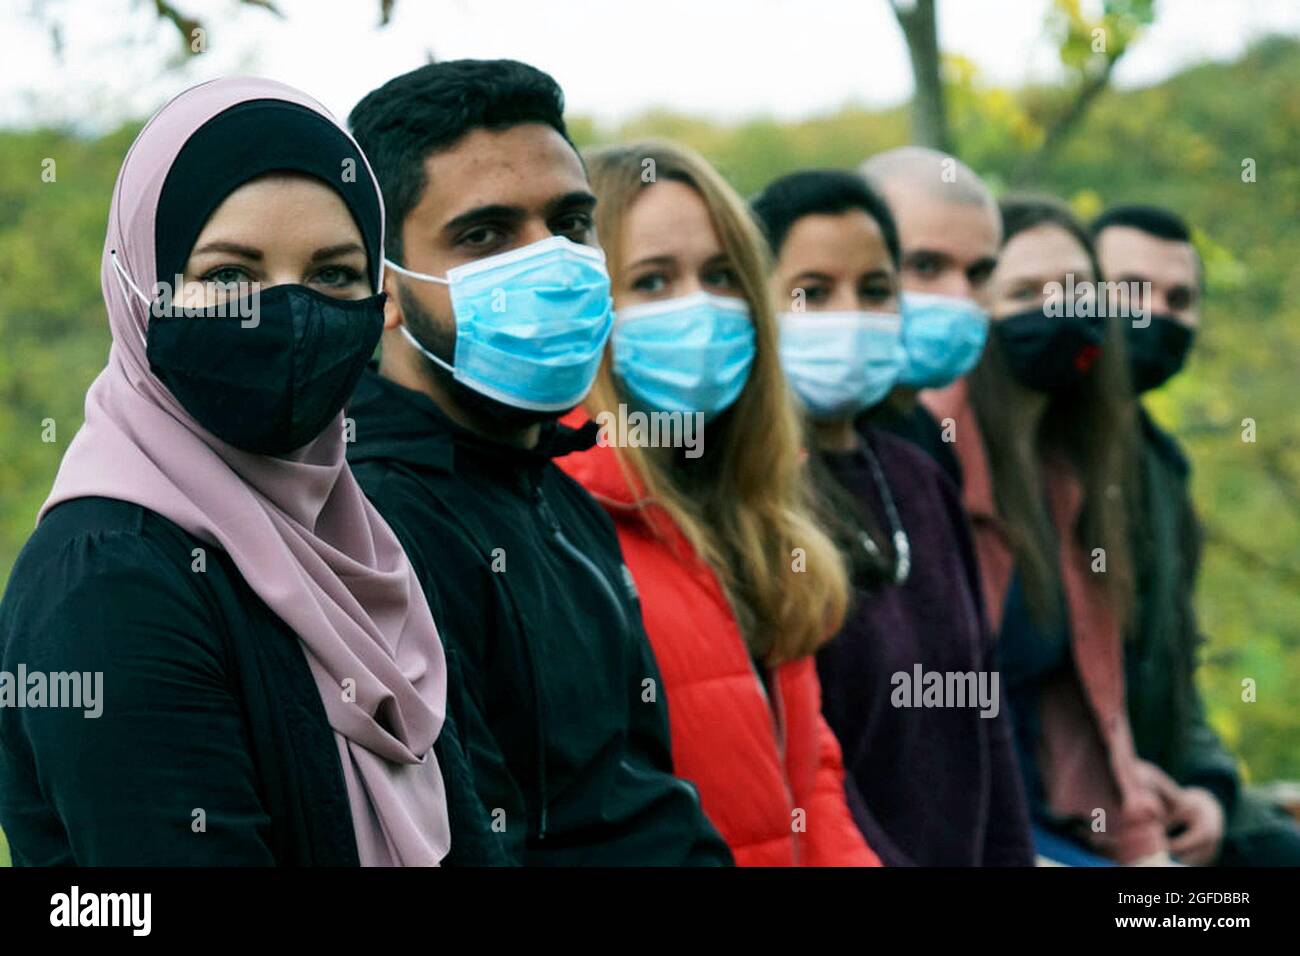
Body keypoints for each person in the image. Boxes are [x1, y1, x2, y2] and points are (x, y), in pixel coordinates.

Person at [0, 77, 455, 866]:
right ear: (138, 290)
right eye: (229, 275)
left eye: (333, 275)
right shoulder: (110, 580)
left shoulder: (365, 549)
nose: (284, 314)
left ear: (378, 300)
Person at [345, 61, 731, 866]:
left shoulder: (559, 493)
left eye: (571, 223)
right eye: (485, 234)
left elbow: (644, 800)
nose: (551, 261)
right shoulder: (376, 530)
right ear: (383, 290)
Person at [554, 142, 878, 866]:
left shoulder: (757, 512)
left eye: (722, 275)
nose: (698, 307)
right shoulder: (568, 526)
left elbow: (812, 783)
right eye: (653, 281)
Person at [750, 169, 1034, 866]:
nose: (852, 314)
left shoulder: (919, 479)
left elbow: (982, 713)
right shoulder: (750, 498)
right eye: (813, 292)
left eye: (875, 290)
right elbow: (794, 760)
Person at [924, 194, 1180, 866]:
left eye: (1075, 290)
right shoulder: (932, 459)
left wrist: (1146, 844)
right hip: (968, 833)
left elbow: (1082, 706)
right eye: (1025, 292)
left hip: (1060, 824)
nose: (1058, 311)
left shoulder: (1074, 473)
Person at [1094, 203, 1300, 866]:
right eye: (1130, 290)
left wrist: (1212, 789)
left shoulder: (1162, 469)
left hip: (1174, 807)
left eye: (1179, 298)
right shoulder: (1029, 459)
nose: (1157, 313)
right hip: (1084, 814)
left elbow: (1177, 674)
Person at [858, 147, 1002, 486]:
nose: (960, 296)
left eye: (979, 273)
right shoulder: (789, 443)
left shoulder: (929, 440)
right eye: (926, 266)